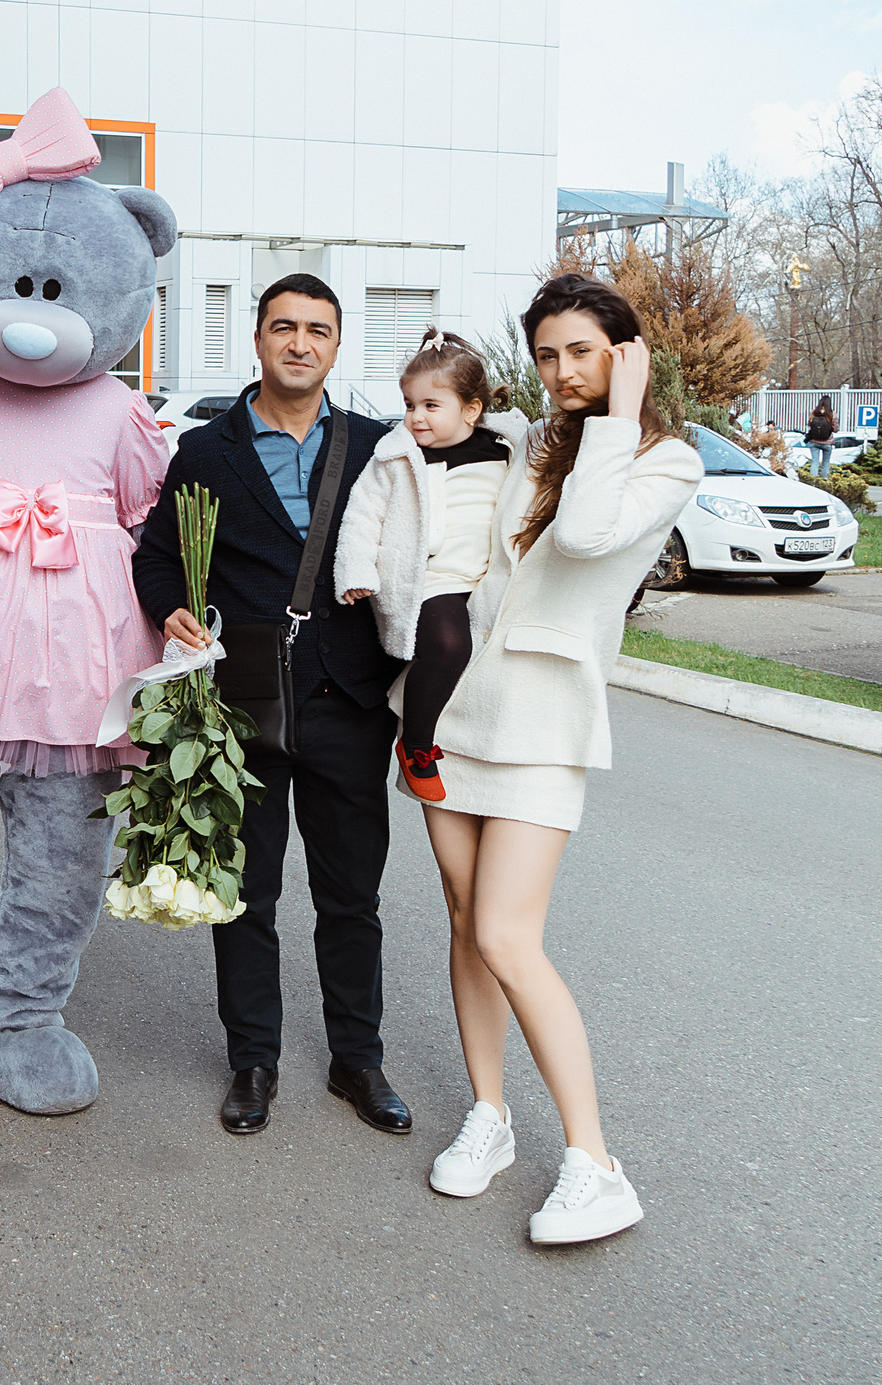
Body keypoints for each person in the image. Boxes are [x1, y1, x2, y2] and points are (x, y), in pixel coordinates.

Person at [418, 273, 700, 1246]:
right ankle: (489, 1117)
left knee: (507, 934)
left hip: (544, 724)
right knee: (462, 920)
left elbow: (583, 538)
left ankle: (595, 1161)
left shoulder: (666, 461)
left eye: (581, 350)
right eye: (546, 354)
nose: (561, 370)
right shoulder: (530, 444)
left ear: (623, 352)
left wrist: (618, 414)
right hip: (457, 712)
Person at [136, 274, 408, 1138]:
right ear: (257, 341)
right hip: (243, 705)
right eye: (283, 327)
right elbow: (154, 558)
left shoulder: (379, 446)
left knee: (350, 895)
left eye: (317, 330)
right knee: (247, 895)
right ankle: (253, 1059)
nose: (300, 343)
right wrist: (168, 604)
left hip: (351, 701)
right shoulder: (206, 452)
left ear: (336, 345)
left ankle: (356, 1060)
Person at [333, 330, 522, 805]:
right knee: (448, 644)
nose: (416, 417)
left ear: (471, 409)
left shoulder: (504, 451)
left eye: (431, 406)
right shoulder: (396, 457)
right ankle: (415, 743)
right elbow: (361, 515)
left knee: (483, 659)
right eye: (409, 404)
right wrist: (356, 570)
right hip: (429, 579)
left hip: (484, 580)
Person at [805, 396, 837, 477]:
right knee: (825, 464)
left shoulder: (813, 412)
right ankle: (824, 482)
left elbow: (809, 424)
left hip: (814, 441)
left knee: (815, 462)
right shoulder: (832, 413)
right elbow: (836, 429)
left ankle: (812, 481)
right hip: (827, 442)